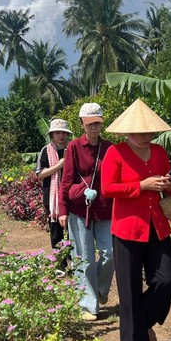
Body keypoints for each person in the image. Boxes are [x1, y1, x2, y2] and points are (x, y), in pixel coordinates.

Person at [101, 99, 171, 341]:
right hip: (127, 227)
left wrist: (170, 185)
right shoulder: (116, 153)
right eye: (141, 132)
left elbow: (168, 189)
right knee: (129, 288)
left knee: (166, 279)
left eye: (150, 132)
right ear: (128, 132)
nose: (147, 137)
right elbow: (108, 189)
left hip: (157, 225)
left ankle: (142, 322)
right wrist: (141, 185)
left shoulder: (158, 153)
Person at [58, 103, 114, 322]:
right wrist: (63, 210)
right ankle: (89, 304)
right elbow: (67, 180)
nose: (94, 128)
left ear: (102, 123)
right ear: (81, 123)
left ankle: (100, 289)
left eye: (97, 123)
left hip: (105, 208)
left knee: (111, 254)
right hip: (80, 210)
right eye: (89, 124)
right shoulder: (73, 147)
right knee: (85, 259)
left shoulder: (109, 147)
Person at [36, 118, 73, 270]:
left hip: (70, 195)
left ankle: (74, 262)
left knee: (73, 232)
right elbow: (40, 174)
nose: (61, 136)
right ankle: (60, 265)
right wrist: (59, 165)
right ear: (52, 135)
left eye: (63, 133)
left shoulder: (72, 148)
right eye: (57, 133)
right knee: (56, 232)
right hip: (51, 198)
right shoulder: (46, 151)